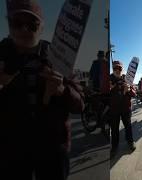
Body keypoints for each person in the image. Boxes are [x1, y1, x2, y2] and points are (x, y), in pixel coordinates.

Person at [0, 0, 84, 179]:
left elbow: (80, 105)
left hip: (52, 148)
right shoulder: (1, 56)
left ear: (42, 27)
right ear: (8, 23)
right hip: (11, 149)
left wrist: (63, 90)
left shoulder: (60, 56)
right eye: (17, 23)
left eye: (31, 24)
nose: (24, 30)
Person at [109, 60, 136, 158]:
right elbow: (103, 94)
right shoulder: (109, 79)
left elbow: (134, 93)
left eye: (119, 68)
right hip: (114, 109)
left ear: (122, 69)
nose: (117, 70)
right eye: (115, 68)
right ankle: (114, 147)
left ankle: (130, 142)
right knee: (114, 129)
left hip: (125, 108)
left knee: (128, 126)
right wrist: (109, 89)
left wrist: (129, 90)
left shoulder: (127, 78)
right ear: (113, 69)